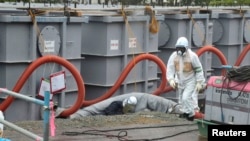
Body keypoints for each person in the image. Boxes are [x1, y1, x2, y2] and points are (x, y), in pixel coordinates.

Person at [166, 37, 206, 121]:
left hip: (190, 81)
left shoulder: (192, 56)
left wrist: (199, 82)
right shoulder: (174, 56)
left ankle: (191, 115)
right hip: (180, 80)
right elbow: (170, 69)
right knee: (181, 100)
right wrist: (171, 80)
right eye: (178, 48)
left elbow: (199, 69)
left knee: (186, 97)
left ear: (186, 48)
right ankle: (185, 114)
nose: (179, 51)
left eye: (182, 48)